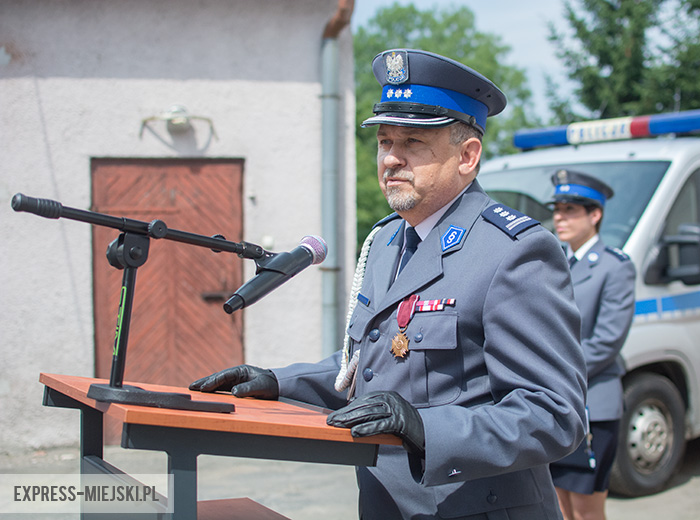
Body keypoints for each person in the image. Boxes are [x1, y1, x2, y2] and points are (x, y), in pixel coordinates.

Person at [190, 48, 587, 520]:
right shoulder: (386, 243)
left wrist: (425, 427)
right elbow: (373, 369)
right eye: (384, 141)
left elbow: (556, 415)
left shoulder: (512, 251)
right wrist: (278, 383)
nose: (391, 159)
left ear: (467, 155)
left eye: (413, 143)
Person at [547, 170, 636, 520]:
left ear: (594, 215)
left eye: (570, 210)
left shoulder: (615, 268)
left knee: (586, 509)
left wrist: (551, 373)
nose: (559, 217)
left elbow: (605, 343)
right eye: (557, 209)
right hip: (557, 404)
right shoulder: (556, 261)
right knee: (557, 505)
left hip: (591, 407)